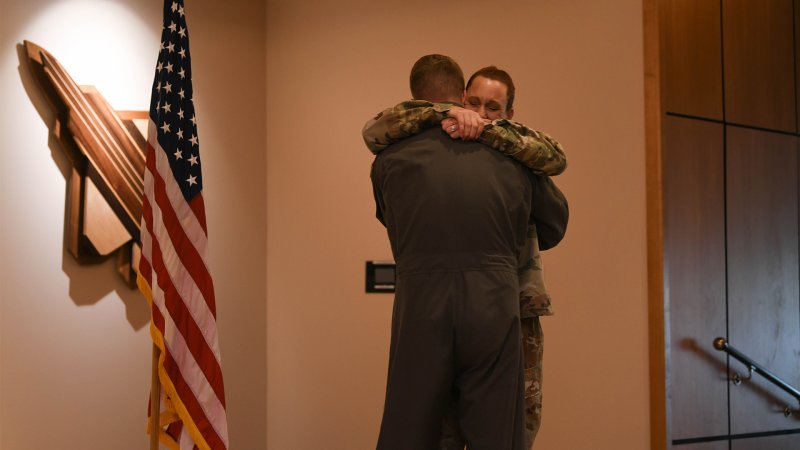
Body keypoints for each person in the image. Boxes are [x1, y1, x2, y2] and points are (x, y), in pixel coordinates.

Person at [369, 54, 568, 450]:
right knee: (495, 431)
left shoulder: (388, 159)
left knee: (412, 426)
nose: (479, 113)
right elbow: (555, 224)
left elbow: (389, 219)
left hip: (420, 304)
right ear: (460, 97)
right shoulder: (515, 159)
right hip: (493, 301)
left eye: (490, 107)